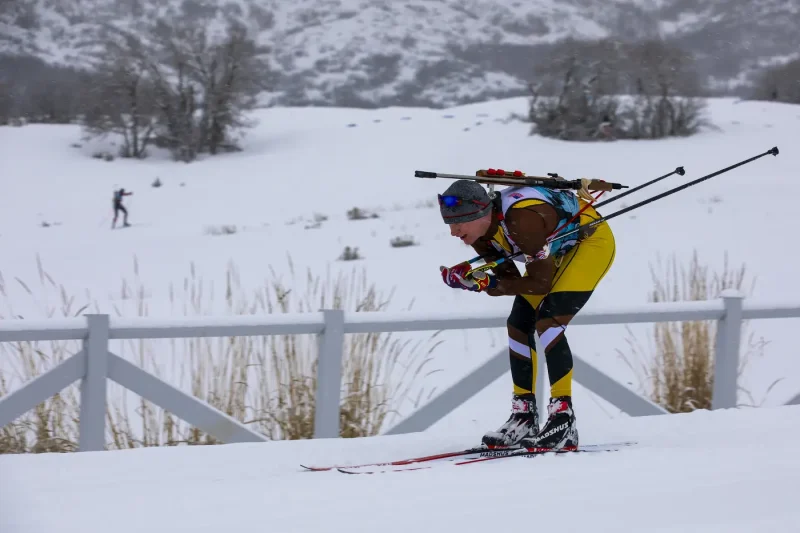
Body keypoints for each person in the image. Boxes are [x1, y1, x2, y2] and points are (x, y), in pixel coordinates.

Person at [437, 178, 615, 451]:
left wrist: (488, 284)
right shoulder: (481, 235)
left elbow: (538, 284)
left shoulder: (523, 220)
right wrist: (476, 281)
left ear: (479, 213)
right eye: (449, 223)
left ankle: (563, 418)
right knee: (518, 324)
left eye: (458, 222)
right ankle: (524, 416)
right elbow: (509, 280)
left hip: (590, 244)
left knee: (549, 320)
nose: (453, 232)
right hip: (555, 250)